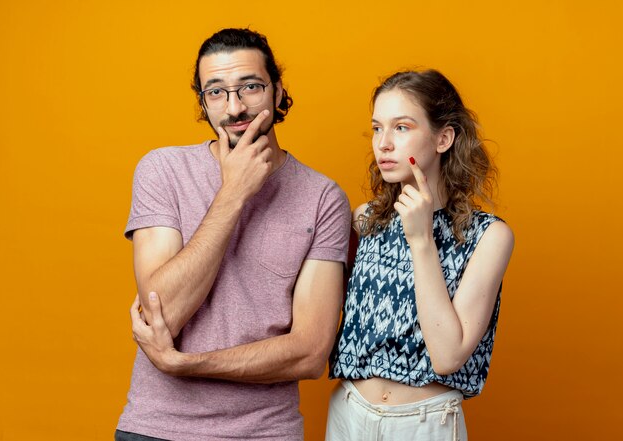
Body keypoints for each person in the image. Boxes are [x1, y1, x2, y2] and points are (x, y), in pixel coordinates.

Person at [115, 28, 351, 441]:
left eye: (251, 87)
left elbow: (311, 353)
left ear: (278, 93)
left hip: (265, 434)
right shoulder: (162, 171)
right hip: (156, 430)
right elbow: (162, 314)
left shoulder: (322, 198)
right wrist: (233, 193)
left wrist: (187, 364)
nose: (235, 107)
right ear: (202, 102)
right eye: (216, 93)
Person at [327, 70, 514, 441]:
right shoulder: (365, 219)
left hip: (425, 422)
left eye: (401, 127)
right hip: (348, 412)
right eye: (377, 128)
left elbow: (447, 356)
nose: (383, 144)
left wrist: (422, 240)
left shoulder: (488, 236)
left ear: (443, 138)